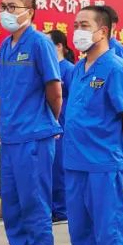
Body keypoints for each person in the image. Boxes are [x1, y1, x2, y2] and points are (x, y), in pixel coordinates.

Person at [55, 6, 123, 245]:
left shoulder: (116, 68)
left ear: (102, 31)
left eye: (84, 25)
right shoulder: (79, 68)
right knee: (80, 225)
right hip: (75, 160)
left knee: (108, 228)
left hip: (103, 161)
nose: (77, 31)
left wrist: (116, 143)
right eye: (75, 24)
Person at [0, 0, 63, 245]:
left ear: (29, 12)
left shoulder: (40, 43)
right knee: (12, 201)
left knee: (34, 199)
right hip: (11, 136)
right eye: (2, 6)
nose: (5, 12)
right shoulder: (6, 45)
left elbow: (54, 90)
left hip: (34, 136)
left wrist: (47, 122)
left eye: (12, 7)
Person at [49, 29, 75, 224]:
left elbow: (76, 99)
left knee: (59, 167)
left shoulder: (68, 69)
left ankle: (61, 209)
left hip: (63, 123)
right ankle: (50, 207)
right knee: (47, 167)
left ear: (59, 46)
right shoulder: (47, 67)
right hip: (46, 122)